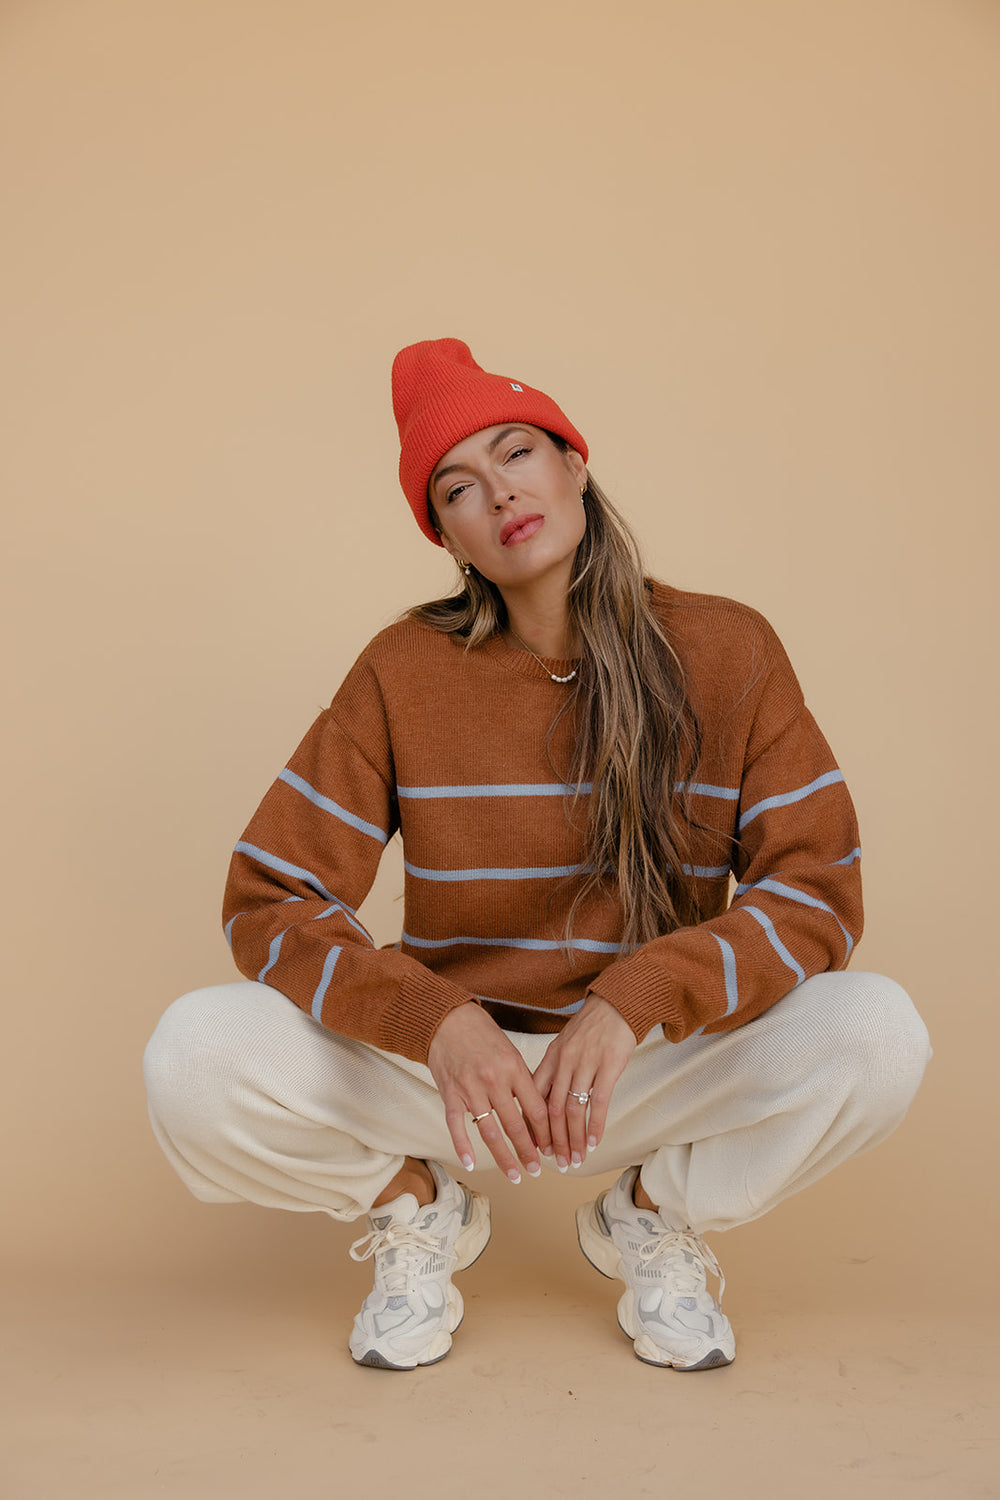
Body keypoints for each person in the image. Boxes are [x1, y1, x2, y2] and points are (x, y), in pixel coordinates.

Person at [143, 337, 931, 1372]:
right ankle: (414, 1205)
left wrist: (639, 994)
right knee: (192, 1053)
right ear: (451, 539)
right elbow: (269, 897)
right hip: (458, 1081)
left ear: (573, 463)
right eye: (457, 488)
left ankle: (652, 1211)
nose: (500, 493)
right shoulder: (405, 669)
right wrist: (434, 1019)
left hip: (645, 1063)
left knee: (878, 1031)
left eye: (516, 452)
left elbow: (817, 890)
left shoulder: (728, 649)